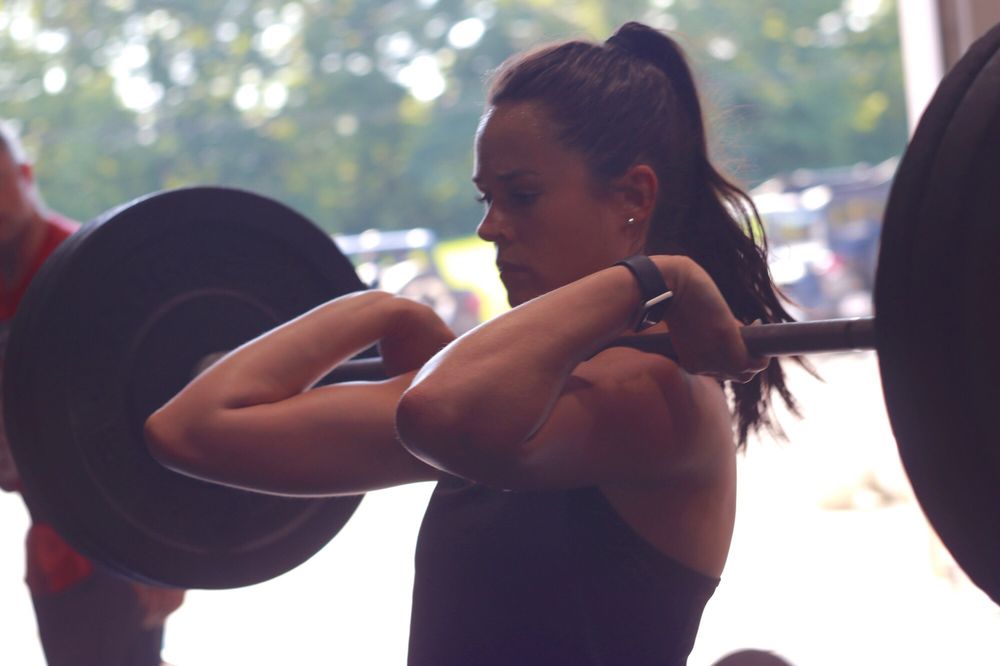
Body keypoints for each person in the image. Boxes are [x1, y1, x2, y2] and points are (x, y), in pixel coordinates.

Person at [146, 22, 797, 666]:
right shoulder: (512, 393)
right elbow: (190, 429)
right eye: (487, 198)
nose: (489, 228)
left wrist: (654, 278)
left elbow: (436, 411)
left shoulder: (652, 393)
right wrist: (381, 310)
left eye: (522, 195)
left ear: (633, 196)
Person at [0, 120, 185, 666]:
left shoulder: (88, 270)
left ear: (25, 174)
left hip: (121, 531)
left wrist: (162, 549)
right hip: (52, 535)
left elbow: (154, 406)